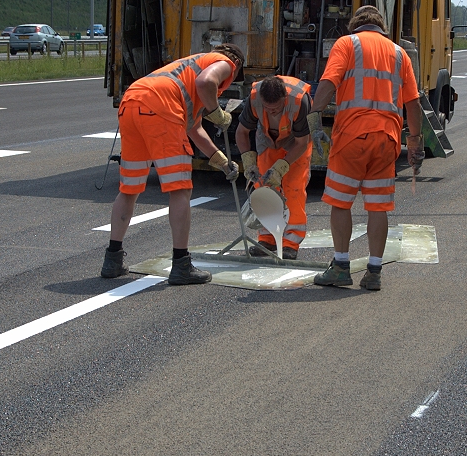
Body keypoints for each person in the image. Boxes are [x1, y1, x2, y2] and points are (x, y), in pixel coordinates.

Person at [100, 44, 243, 284]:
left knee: (129, 188)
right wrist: (217, 113)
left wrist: (222, 162)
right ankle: (181, 265)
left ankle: (112, 260)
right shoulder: (225, 62)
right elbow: (206, 82)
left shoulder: (186, 70)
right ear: (237, 66)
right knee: (180, 189)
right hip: (161, 108)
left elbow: (194, 129)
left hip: (132, 102)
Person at [310, 5, 424, 291]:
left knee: (340, 202)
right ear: (380, 27)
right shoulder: (400, 54)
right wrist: (414, 143)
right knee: (378, 207)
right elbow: (413, 103)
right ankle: (374, 271)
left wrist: (314, 118)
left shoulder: (346, 44)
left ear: (355, 26)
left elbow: (328, 82)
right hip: (387, 139)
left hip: (352, 137)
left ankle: (341, 266)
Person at [236, 75, 313, 259]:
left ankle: (290, 243)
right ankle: (267, 237)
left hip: (295, 142)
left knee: (293, 188)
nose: (271, 112)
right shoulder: (254, 97)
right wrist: (248, 160)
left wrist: (281, 167)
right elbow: (241, 132)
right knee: (263, 188)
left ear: (284, 99)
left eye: (276, 108)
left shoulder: (299, 100)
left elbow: (302, 142)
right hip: (267, 140)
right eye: (267, 108)